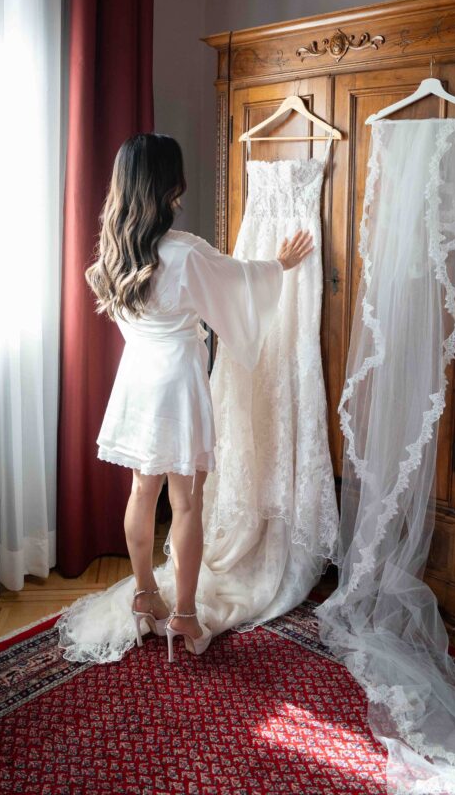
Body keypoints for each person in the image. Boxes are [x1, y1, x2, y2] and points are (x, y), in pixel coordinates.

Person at [84, 132, 314, 660]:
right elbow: (237, 282)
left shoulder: (116, 252)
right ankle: (184, 616)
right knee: (186, 501)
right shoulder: (185, 252)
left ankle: (145, 594)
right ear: (172, 182)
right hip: (177, 380)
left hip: (137, 377)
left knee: (144, 491)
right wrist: (280, 265)